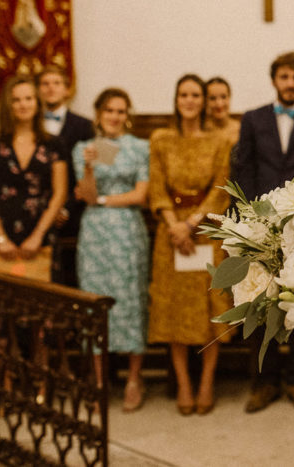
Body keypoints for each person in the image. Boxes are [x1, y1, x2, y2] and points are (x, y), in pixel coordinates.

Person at [232, 52, 294, 413]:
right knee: (260, 305)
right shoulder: (253, 119)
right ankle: (265, 382)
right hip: (261, 226)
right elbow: (244, 168)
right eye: (284, 77)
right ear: (274, 79)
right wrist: (252, 221)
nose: (290, 83)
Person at [147, 74, 233, 416]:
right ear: (176, 98)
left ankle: (207, 382)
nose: (190, 100)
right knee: (174, 310)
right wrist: (174, 226)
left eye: (196, 95)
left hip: (204, 230)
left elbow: (220, 187)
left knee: (210, 309)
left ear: (204, 100)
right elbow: (156, 187)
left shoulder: (219, 140)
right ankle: (183, 383)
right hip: (170, 236)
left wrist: (192, 222)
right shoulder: (161, 139)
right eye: (184, 94)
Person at [72, 88, 150, 412]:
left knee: (131, 300)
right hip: (95, 235)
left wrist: (105, 200)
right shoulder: (85, 148)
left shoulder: (139, 147)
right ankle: (99, 379)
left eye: (121, 110)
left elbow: (140, 195)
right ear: (99, 114)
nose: (115, 116)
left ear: (127, 115)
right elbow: (86, 195)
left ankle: (134, 378)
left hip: (128, 230)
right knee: (95, 302)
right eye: (109, 110)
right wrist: (89, 167)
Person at [0, 75, 67, 271]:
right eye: (16, 100)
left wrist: (37, 236)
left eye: (28, 98)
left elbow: (59, 193)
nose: (23, 105)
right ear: (8, 105)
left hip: (39, 232)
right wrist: (0, 238)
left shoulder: (54, 144)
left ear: (37, 102)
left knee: (43, 298)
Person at [37, 66, 95, 285]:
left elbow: (87, 173)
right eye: (45, 84)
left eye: (56, 83)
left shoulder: (84, 126)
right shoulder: (29, 125)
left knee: (72, 277)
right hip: (38, 211)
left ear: (66, 90)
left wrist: (65, 208)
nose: (51, 88)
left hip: (73, 212)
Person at [205, 76, 241, 146]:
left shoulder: (241, 130)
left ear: (229, 97)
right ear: (205, 101)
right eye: (212, 98)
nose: (219, 104)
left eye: (223, 97)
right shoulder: (200, 131)